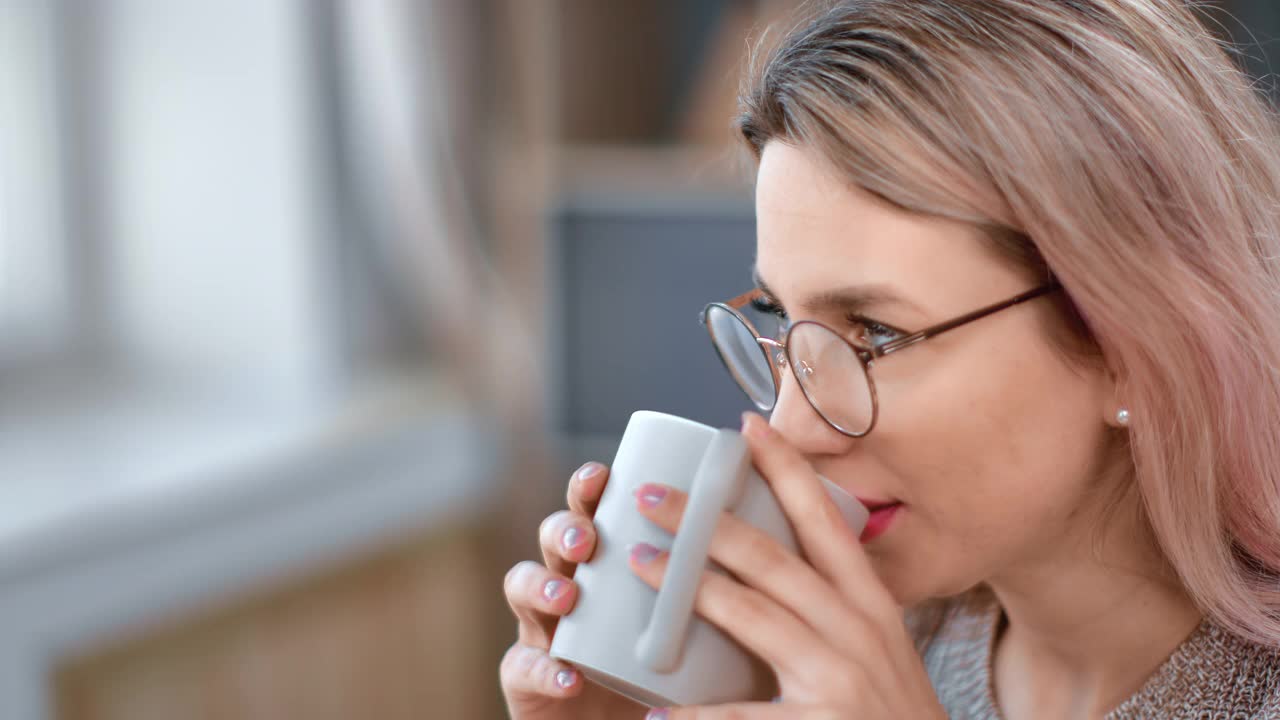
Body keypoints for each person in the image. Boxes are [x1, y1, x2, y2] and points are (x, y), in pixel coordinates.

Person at [500, 1, 1280, 717]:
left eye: (874, 333)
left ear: (1130, 345)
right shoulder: (838, 661)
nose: (792, 425)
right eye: (780, 316)